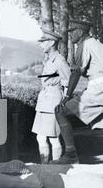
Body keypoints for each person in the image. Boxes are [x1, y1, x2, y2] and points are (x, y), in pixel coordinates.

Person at [53, 19, 103, 164]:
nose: (70, 35)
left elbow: (76, 73)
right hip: (98, 86)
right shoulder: (97, 43)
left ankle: (70, 155)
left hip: (99, 86)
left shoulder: (84, 44)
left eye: (72, 32)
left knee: (60, 112)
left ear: (80, 32)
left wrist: (67, 96)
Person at [32, 29, 71, 163]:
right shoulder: (49, 61)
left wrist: (63, 102)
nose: (41, 44)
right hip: (44, 101)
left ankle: (56, 168)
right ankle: (45, 167)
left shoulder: (59, 60)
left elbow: (68, 82)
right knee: (41, 138)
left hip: (53, 102)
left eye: (43, 42)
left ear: (52, 43)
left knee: (53, 138)